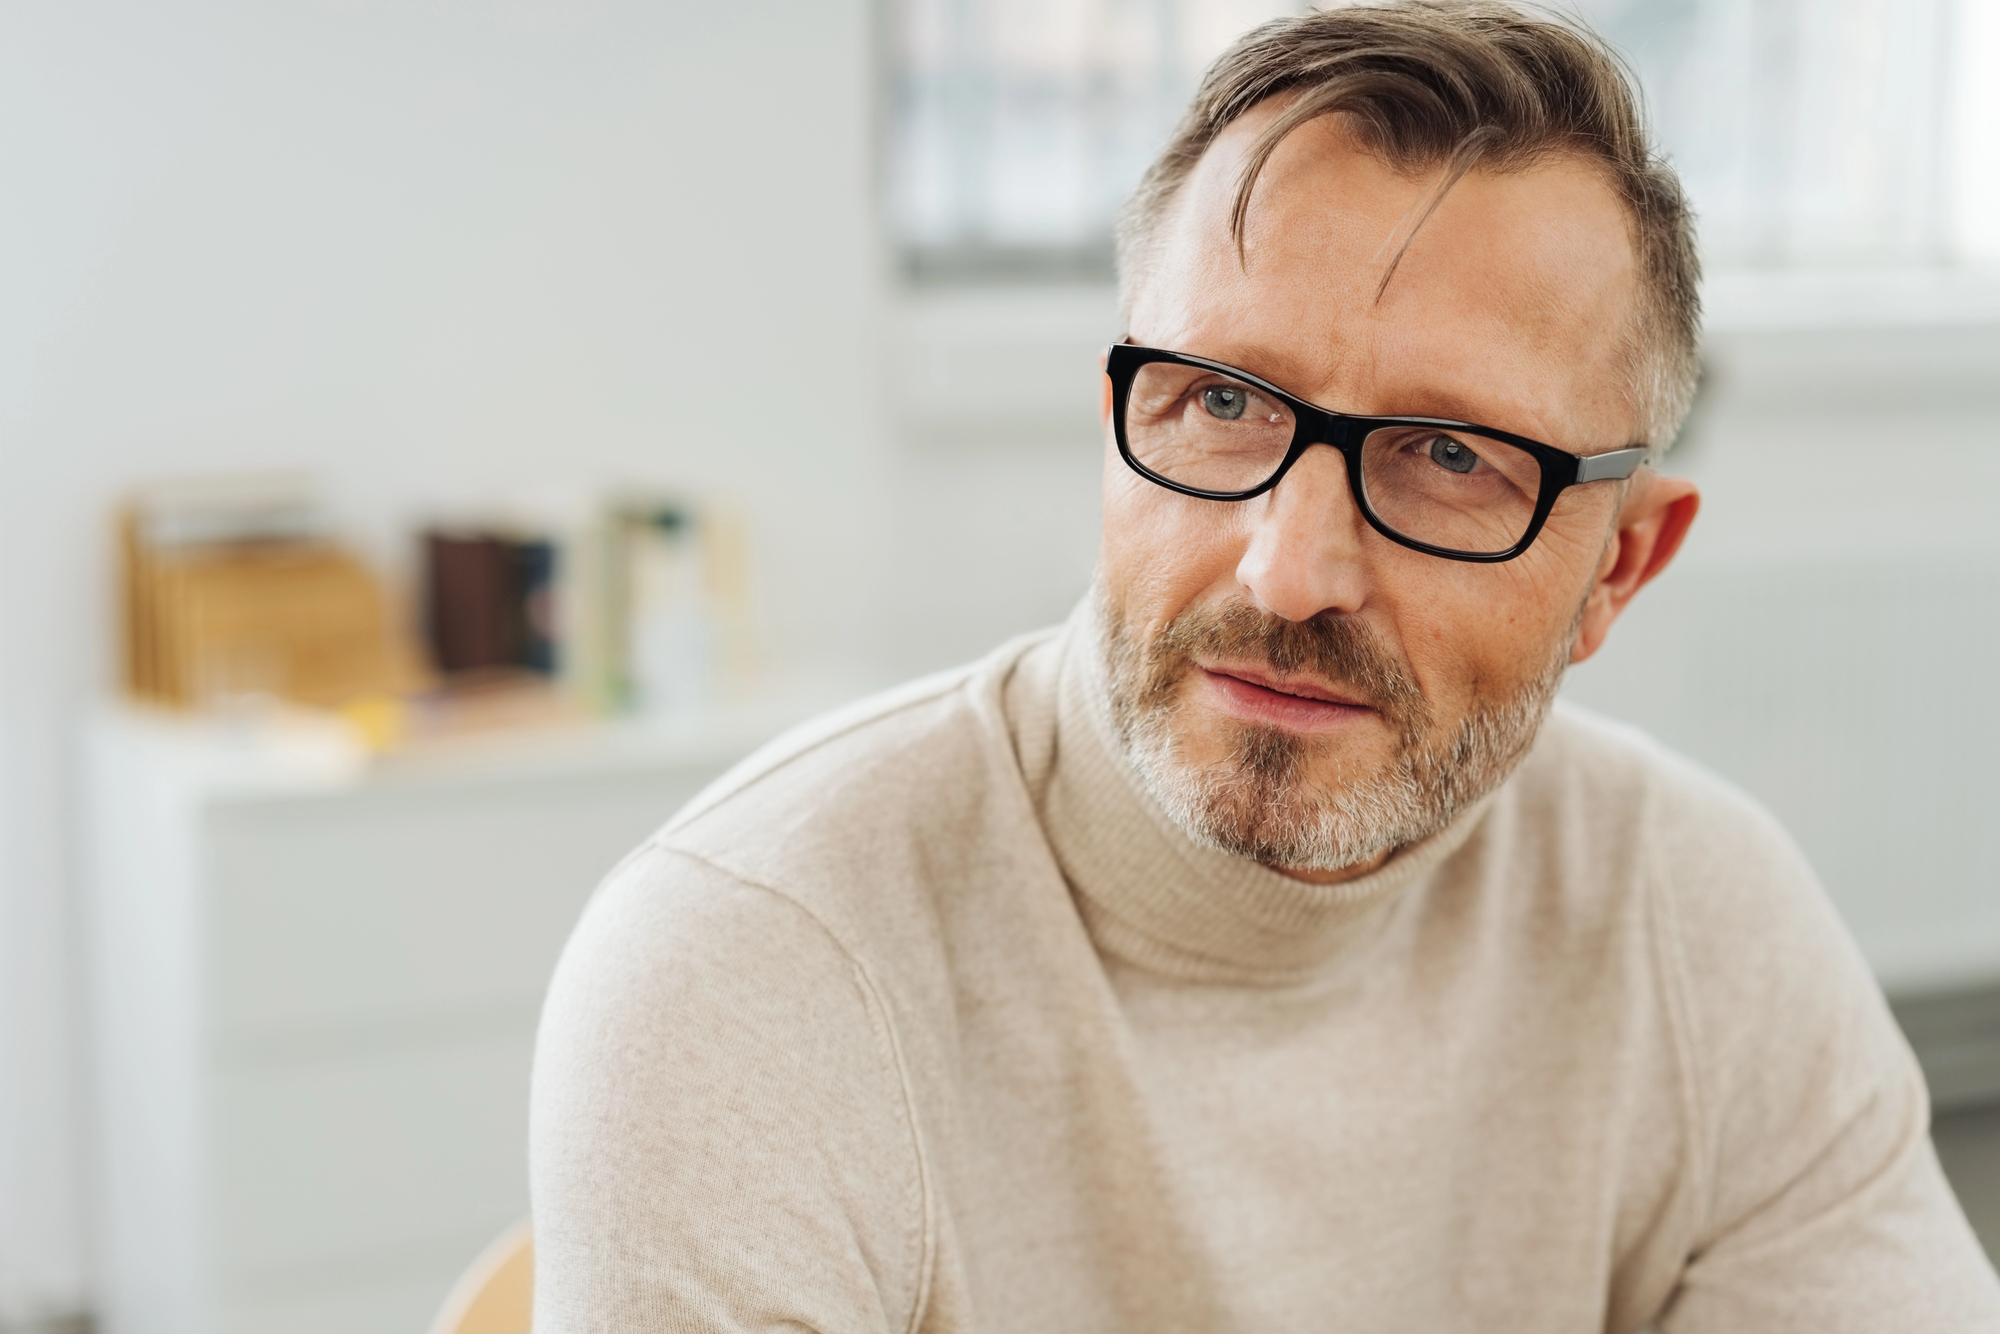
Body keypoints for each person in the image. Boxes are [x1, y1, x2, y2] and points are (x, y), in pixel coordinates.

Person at [530, 3, 2000, 1329]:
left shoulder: (1699, 919)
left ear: (1617, 564)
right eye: (1222, 401)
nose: (1289, 570)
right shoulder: (763, 966)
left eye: (1447, 456)